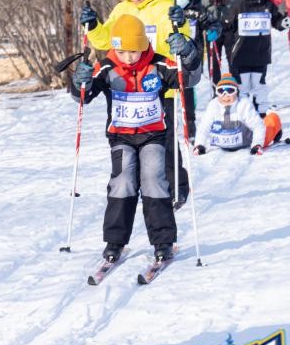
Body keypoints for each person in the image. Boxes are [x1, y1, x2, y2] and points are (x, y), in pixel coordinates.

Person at [70, 13, 201, 264]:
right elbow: (83, 97)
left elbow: (189, 79)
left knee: (153, 180)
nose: (129, 57)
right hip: (121, 136)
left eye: (135, 51)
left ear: (144, 45)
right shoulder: (107, 68)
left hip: (153, 134)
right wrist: (80, 81)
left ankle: (163, 241)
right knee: (122, 182)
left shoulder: (159, 65)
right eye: (123, 51)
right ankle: (115, 241)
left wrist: (189, 54)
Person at [79, 0, 192, 207]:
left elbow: (181, 38)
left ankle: (177, 187)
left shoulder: (165, 6)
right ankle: (144, 188)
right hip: (130, 89)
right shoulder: (121, 10)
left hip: (161, 83)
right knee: (137, 144)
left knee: (166, 141)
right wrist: (94, 25)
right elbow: (105, 40)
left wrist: (181, 26)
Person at [193, 74, 284, 156]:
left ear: (237, 92)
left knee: (270, 123)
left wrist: (257, 144)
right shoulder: (213, 105)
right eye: (221, 91)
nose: (226, 96)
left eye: (230, 90)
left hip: (248, 141)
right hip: (224, 141)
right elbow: (203, 127)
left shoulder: (243, 104)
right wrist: (199, 144)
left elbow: (258, 126)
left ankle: (275, 123)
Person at [194, 0, 241, 87]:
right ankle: (216, 89)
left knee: (234, 58)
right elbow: (197, 1)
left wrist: (229, 3)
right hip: (212, 25)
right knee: (214, 60)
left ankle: (236, 88)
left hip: (231, 24)